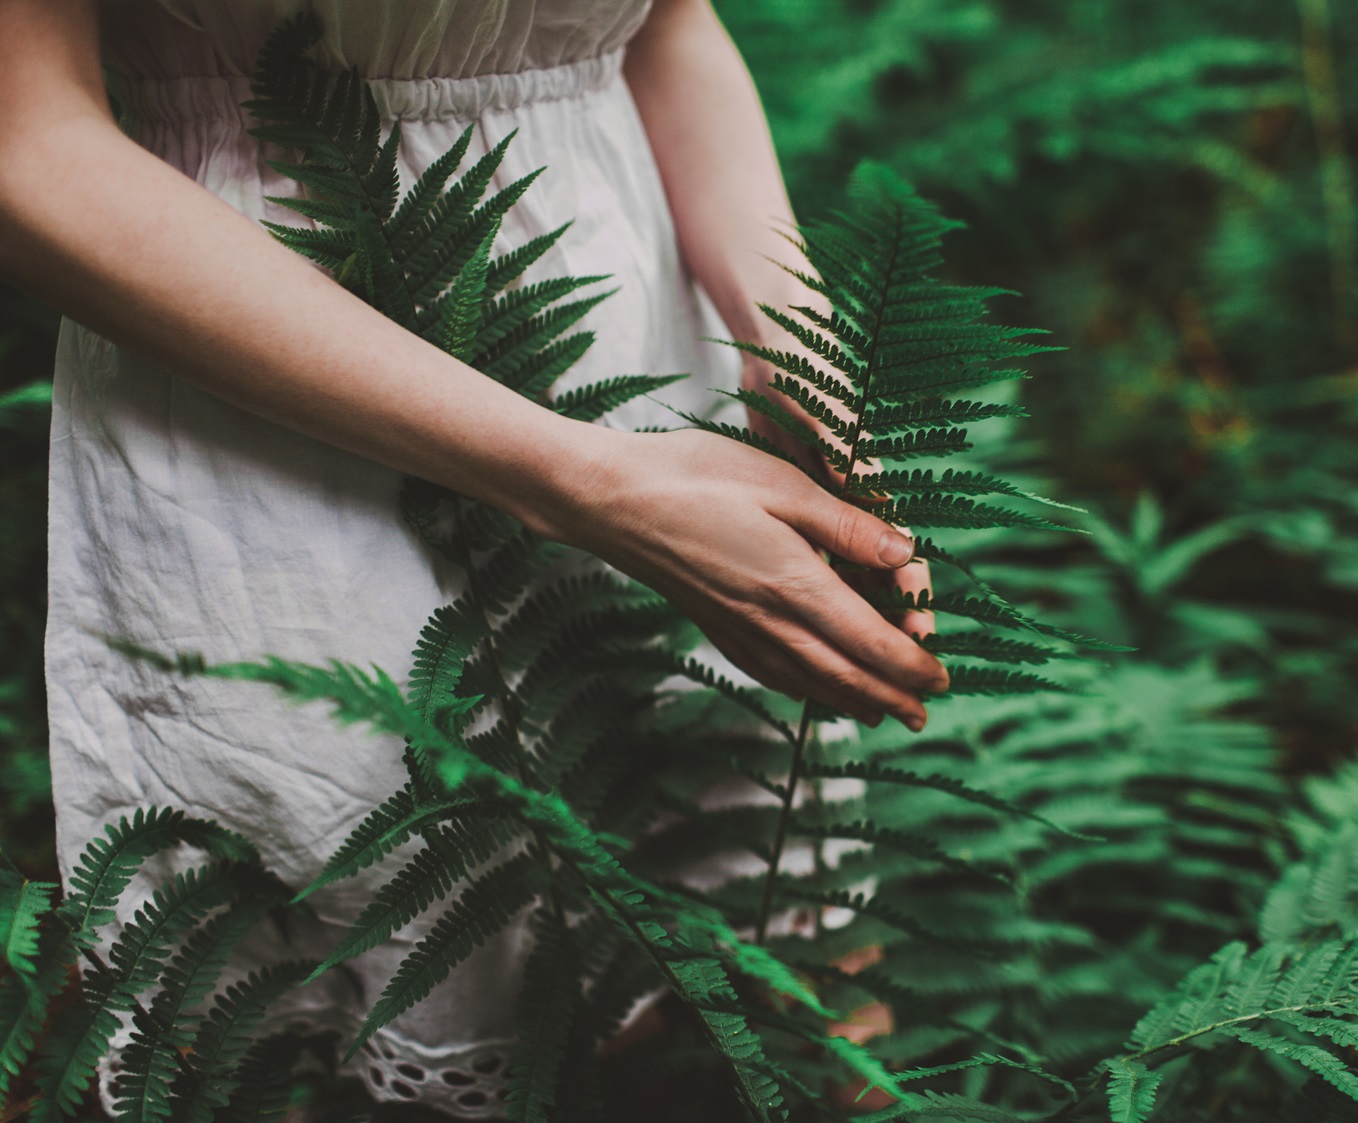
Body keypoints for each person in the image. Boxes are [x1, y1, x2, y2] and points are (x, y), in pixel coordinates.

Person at [0, 0, 945, 1115]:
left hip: (653, 384)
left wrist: (792, 341)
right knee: (382, 985)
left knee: (741, 1010)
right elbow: (29, 147)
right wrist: (577, 478)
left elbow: (665, 23)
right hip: (281, 417)